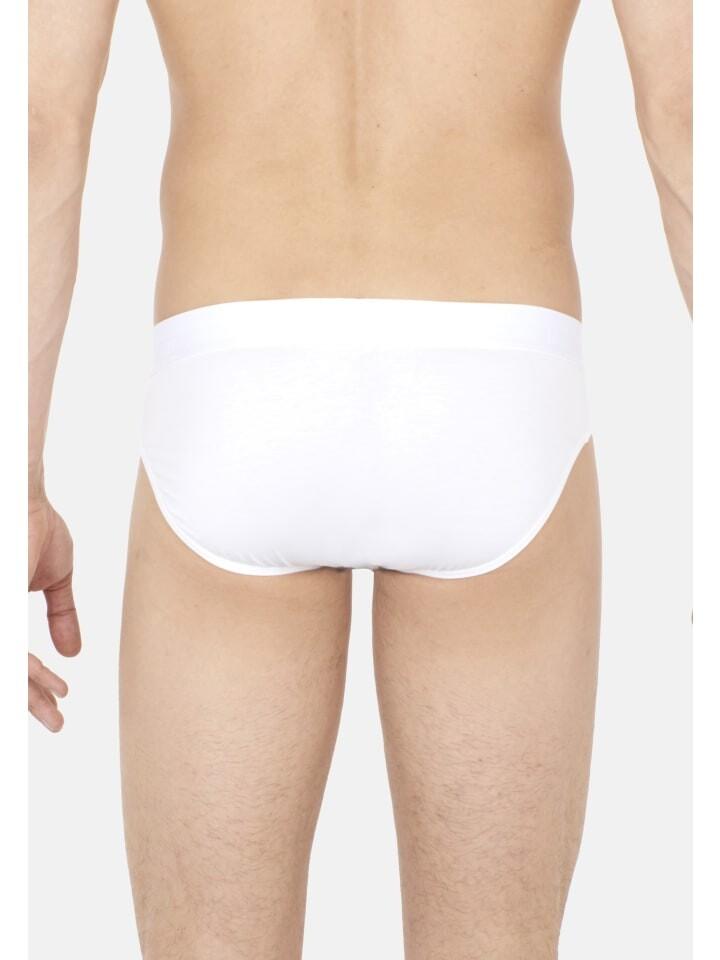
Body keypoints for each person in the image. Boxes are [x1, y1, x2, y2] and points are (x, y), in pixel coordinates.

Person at [28, 1, 691, 957]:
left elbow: (41, 127)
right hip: (494, 378)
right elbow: (684, 111)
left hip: (235, 372)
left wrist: (17, 476)